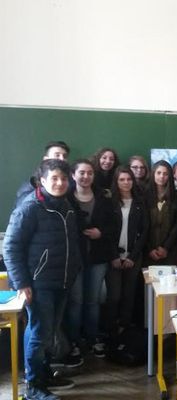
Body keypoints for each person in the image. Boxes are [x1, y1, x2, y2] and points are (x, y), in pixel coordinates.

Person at [4, 159, 82, 399]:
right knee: (39, 333)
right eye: (54, 179)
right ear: (42, 181)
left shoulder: (65, 205)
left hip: (62, 280)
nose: (60, 183)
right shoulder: (29, 208)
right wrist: (22, 284)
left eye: (63, 179)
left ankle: (44, 374)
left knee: (49, 332)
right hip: (38, 285)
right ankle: (34, 387)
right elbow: (11, 247)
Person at [66, 159, 115, 363]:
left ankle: (93, 337)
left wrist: (100, 232)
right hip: (75, 258)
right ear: (73, 175)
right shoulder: (66, 199)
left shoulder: (103, 198)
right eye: (82, 173)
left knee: (93, 301)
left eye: (89, 173)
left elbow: (113, 226)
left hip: (98, 257)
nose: (86, 177)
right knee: (76, 302)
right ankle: (75, 341)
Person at [104, 167, 148, 346]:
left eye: (129, 179)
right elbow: (106, 232)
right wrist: (114, 256)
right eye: (122, 179)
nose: (126, 183)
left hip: (133, 256)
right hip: (113, 256)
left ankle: (125, 329)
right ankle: (110, 330)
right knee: (114, 296)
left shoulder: (139, 202)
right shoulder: (109, 202)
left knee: (129, 295)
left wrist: (132, 256)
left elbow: (144, 231)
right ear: (116, 181)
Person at [144, 160, 177, 266]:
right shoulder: (144, 196)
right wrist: (150, 248)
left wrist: (166, 247)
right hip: (149, 251)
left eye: (165, 174)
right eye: (158, 173)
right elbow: (142, 225)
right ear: (153, 174)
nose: (161, 176)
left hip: (171, 250)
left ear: (170, 176)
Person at [16, 140, 71, 206]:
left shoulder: (68, 183)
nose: (62, 159)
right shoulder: (29, 189)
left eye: (64, 156)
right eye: (57, 155)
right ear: (46, 159)